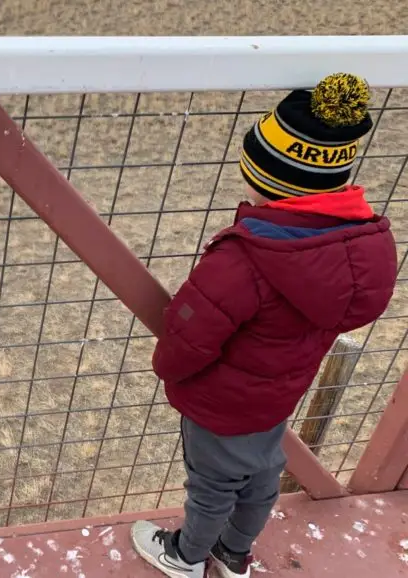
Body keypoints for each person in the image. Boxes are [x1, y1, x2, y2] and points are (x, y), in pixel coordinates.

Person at [130, 73, 397, 578]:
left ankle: (185, 557)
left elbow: (189, 337)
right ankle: (235, 555)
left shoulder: (245, 259)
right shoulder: (359, 247)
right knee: (262, 475)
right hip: (279, 395)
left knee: (211, 484)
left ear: (267, 179)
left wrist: (169, 369)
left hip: (221, 402)